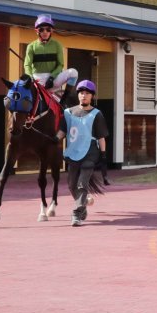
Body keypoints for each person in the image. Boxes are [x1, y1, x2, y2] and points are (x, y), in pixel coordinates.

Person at [56, 80, 108, 227]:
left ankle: (77, 213)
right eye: (81, 93)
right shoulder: (68, 113)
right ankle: (83, 204)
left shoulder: (97, 114)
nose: (83, 96)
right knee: (72, 185)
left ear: (92, 96)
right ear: (78, 95)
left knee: (82, 183)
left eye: (87, 93)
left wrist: (103, 156)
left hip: (90, 151)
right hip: (74, 152)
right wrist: (54, 140)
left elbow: (101, 137)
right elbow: (62, 131)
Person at [24, 15, 77, 100]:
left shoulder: (57, 45)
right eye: (41, 29)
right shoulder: (31, 46)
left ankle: (64, 100)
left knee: (73, 72)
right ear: (37, 31)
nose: (45, 32)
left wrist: (52, 77)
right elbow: (27, 65)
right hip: (37, 79)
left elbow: (60, 65)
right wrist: (30, 77)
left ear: (51, 31)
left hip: (53, 79)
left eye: (48, 29)